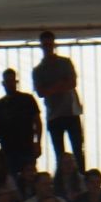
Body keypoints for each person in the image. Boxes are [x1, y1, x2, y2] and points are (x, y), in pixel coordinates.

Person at [32, 31, 84, 175]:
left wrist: (51, 88)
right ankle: (65, 179)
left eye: (49, 44)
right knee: (60, 153)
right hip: (55, 115)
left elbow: (72, 83)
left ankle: (80, 177)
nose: (48, 47)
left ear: (53, 44)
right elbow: (41, 92)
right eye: (45, 45)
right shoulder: (39, 69)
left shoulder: (63, 63)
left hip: (69, 112)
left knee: (77, 150)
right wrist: (60, 84)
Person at [0, 68, 43, 178]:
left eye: (12, 81)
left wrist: (38, 143)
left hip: (26, 147)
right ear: (3, 83)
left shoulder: (27, 99)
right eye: (8, 81)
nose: (10, 84)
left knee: (30, 177)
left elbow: (37, 122)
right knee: (12, 179)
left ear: (16, 82)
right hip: (8, 150)